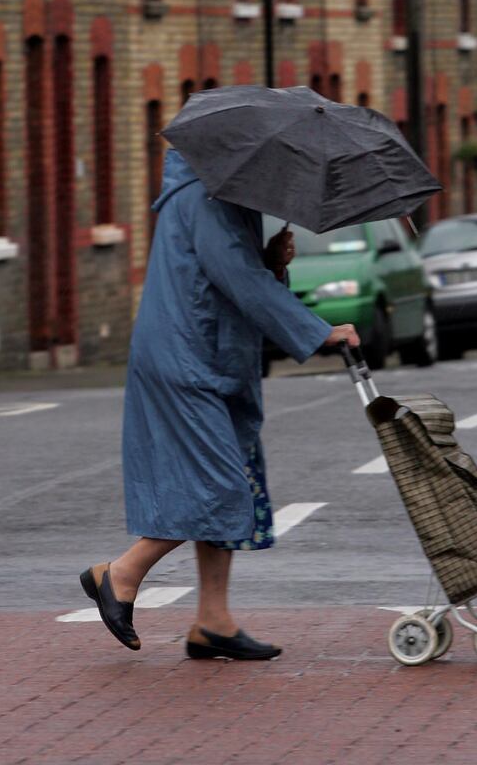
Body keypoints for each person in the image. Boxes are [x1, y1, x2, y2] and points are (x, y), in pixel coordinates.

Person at [80, 147, 359, 661]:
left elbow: (233, 278)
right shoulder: (205, 197)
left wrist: (273, 263)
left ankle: (212, 621)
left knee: (236, 473)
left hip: (214, 356)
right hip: (188, 357)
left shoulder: (227, 199)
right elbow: (237, 279)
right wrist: (316, 331)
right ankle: (120, 573)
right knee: (222, 486)